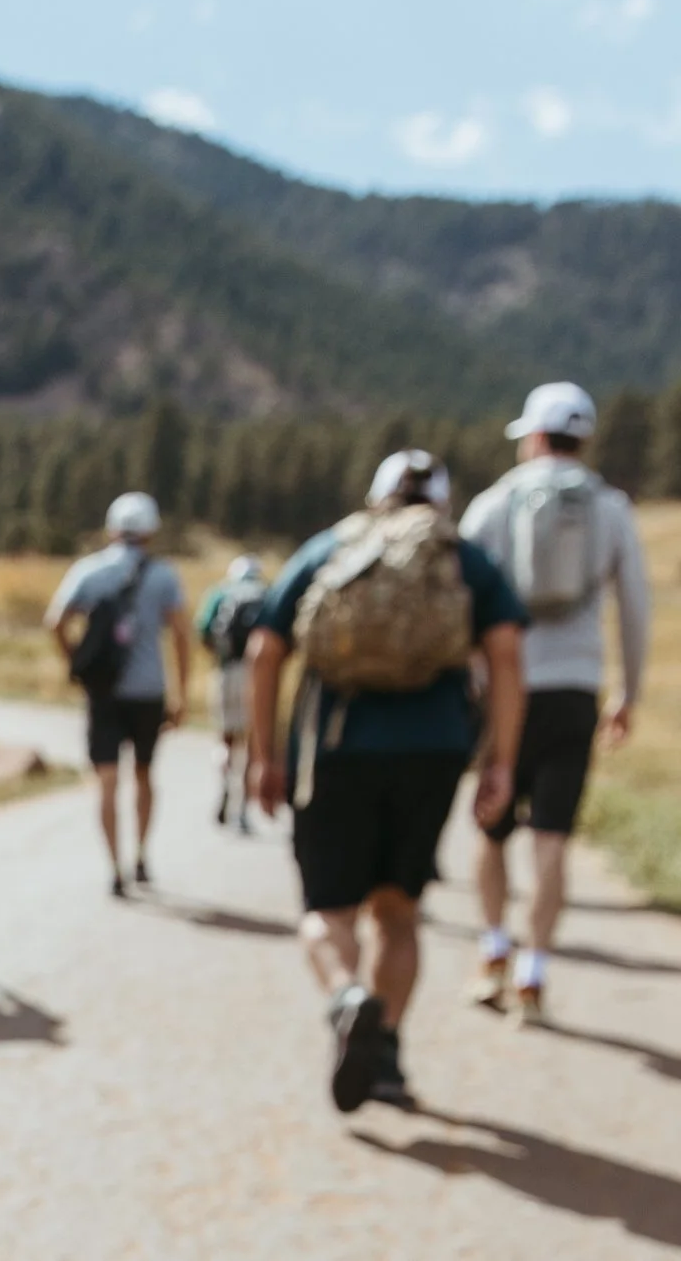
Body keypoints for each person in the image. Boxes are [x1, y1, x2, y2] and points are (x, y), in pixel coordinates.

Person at [248, 450, 526, 1113]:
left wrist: (265, 755)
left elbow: (264, 650)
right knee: (398, 913)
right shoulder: (461, 560)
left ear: (377, 497)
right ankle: (389, 1054)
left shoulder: (334, 547)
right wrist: (502, 762)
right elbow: (509, 656)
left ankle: (346, 995)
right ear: (441, 504)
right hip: (432, 751)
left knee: (326, 911)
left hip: (335, 748)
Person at [458, 383, 650, 1025]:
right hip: (575, 688)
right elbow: (635, 605)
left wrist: (472, 682)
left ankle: (492, 950)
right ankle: (535, 972)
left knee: (493, 826)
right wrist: (627, 693)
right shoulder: (612, 507)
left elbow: (458, 597)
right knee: (553, 837)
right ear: (585, 438)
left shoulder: (494, 504)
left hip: (505, 690)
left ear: (533, 437)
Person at [45, 492, 190, 898]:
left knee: (106, 781)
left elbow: (55, 621)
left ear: (112, 529)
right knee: (144, 775)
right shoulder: (164, 576)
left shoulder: (89, 572)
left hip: (103, 693)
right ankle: (141, 854)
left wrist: (76, 663)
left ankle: (114, 868)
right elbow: (180, 634)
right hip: (148, 691)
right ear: (151, 531)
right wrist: (181, 694)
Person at [194, 554, 268, 834]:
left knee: (225, 738)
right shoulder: (265, 594)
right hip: (255, 674)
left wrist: (219, 657)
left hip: (226, 671)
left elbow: (203, 631)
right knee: (250, 743)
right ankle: (243, 810)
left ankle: (224, 784)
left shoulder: (220, 593)